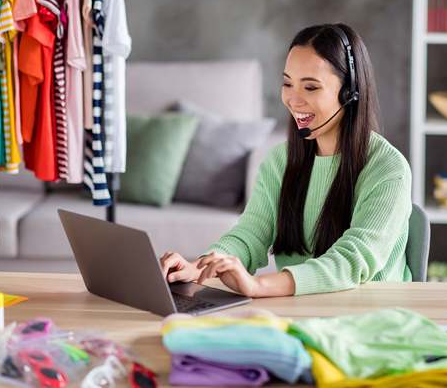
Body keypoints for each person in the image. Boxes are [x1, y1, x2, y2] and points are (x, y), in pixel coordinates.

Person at [160, 23, 412, 297]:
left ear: (349, 93)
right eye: (288, 83)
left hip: (369, 315)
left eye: (311, 87)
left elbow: (351, 261)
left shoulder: (388, 168)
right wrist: (198, 268)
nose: (293, 99)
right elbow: (250, 234)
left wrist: (258, 285)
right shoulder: (280, 161)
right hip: (297, 312)